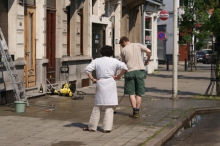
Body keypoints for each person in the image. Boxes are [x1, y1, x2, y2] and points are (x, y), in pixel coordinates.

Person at [83, 45, 128, 133]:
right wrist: (118, 76)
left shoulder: (97, 61)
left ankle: (92, 127)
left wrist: (92, 79)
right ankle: (106, 128)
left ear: (101, 52)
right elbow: (125, 68)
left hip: (100, 82)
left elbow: (87, 70)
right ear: (111, 53)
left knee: (97, 106)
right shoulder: (114, 61)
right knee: (109, 107)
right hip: (111, 82)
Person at [118, 36, 151, 118]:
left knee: (131, 93)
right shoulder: (138, 45)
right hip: (140, 71)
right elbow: (149, 51)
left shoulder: (123, 51)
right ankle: (138, 111)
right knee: (139, 93)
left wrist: (119, 76)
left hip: (129, 72)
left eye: (121, 44)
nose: (122, 46)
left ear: (123, 42)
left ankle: (134, 111)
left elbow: (124, 66)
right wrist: (147, 60)